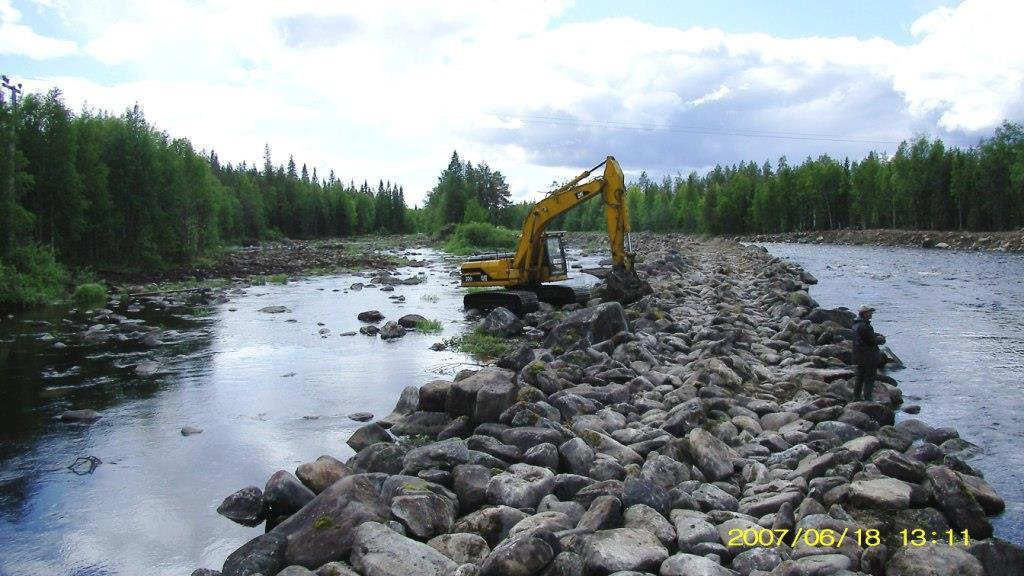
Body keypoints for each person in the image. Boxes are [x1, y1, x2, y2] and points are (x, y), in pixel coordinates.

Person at [851, 305, 886, 401]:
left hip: (859, 355)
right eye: (870, 312)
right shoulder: (864, 326)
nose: (871, 314)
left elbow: (865, 337)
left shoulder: (856, 324)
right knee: (869, 378)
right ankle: (868, 398)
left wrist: (876, 335)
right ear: (864, 313)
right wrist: (881, 339)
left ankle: (856, 397)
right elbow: (871, 341)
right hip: (868, 356)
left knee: (860, 377)